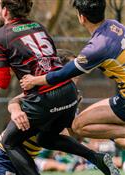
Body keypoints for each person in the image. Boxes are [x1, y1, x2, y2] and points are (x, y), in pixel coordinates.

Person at [0, 0, 119, 175]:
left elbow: (0, 81)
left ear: (5, 10)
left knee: (10, 143)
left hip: (44, 97)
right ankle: (96, 158)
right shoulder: (38, 26)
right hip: (68, 92)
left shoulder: (1, 37)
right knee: (46, 138)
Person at [20, 0, 125, 146]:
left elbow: (62, 74)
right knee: (99, 124)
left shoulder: (96, 48)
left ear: (81, 17)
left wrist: (34, 80)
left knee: (78, 126)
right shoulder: (115, 25)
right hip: (122, 97)